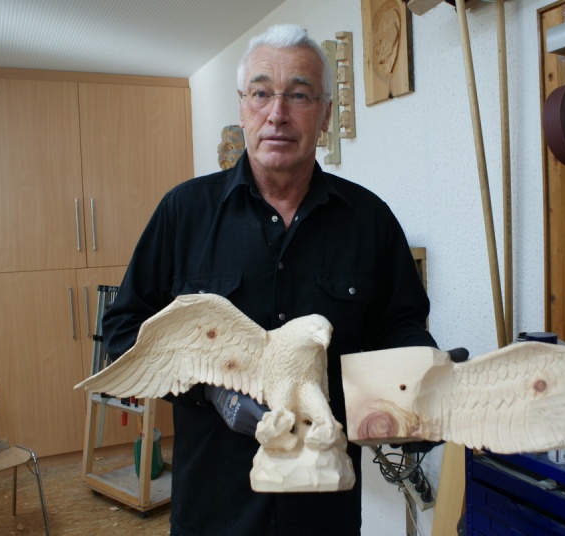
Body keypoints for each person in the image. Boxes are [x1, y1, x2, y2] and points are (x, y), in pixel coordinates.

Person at [102, 23, 436, 536]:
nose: (277, 113)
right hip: (214, 512)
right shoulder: (183, 213)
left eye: (299, 95)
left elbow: (401, 327)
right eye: (261, 93)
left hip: (325, 513)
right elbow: (124, 330)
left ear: (325, 114)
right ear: (242, 109)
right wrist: (210, 391)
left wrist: (421, 385)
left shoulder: (369, 220)